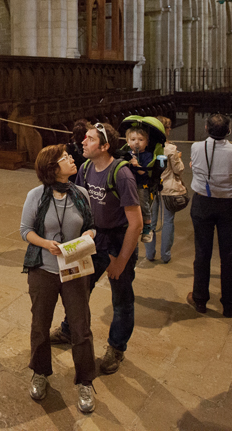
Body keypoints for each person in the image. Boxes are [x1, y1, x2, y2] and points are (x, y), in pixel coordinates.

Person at [51, 122, 142, 376]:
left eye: (90, 139)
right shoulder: (86, 168)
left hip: (118, 240)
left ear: (104, 146)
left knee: (121, 298)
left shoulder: (121, 174)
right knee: (78, 289)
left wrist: (121, 261)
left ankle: (117, 347)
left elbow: (136, 224)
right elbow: (79, 203)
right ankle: (69, 329)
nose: (83, 142)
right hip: (94, 236)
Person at [21, 145, 97, 413]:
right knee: (40, 326)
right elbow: (25, 230)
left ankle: (85, 381)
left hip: (75, 270)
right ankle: (40, 373)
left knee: (80, 327)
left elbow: (90, 224)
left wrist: (90, 235)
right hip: (44, 269)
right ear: (52, 168)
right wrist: (45, 244)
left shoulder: (81, 193)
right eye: (65, 158)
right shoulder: (36, 195)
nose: (71, 159)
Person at [187, 114, 232, 317]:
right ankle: (229, 304)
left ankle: (200, 299)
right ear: (229, 130)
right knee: (229, 255)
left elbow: (193, 166)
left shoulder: (196, 147)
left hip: (203, 202)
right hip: (228, 205)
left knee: (202, 252)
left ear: (206, 128)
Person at [146, 116, 185, 264]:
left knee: (150, 222)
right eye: (168, 127)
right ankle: (166, 255)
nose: (170, 130)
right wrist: (179, 158)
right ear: (164, 130)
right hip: (168, 188)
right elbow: (179, 170)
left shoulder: (147, 146)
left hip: (151, 187)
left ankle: (149, 254)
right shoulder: (170, 148)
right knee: (168, 221)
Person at [125, 126, 157, 243]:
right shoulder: (127, 154)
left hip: (141, 184)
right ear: (128, 142)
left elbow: (144, 172)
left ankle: (148, 228)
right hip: (128, 185)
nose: (136, 142)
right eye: (133, 139)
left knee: (144, 205)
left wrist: (136, 164)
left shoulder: (148, 155)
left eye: (140, 139)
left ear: (147, 142)